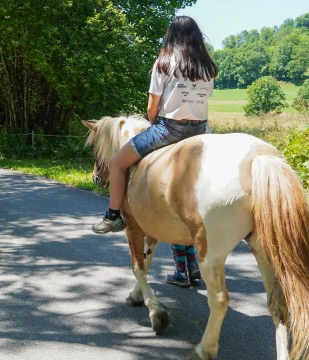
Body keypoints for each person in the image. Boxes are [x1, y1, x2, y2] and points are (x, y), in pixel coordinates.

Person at [91, 16, 216, 283]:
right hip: (203, 132)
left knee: (116, 162)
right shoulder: (207, 66)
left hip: (170, 129)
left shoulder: (163, 63)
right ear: (197, 36)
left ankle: (113, 215)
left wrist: (154, 121)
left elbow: (152, 108)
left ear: (171, 35)